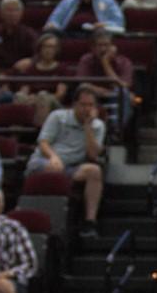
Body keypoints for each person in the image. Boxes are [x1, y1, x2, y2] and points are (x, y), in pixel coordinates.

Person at [26, 85, 105, 239]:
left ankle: (90, 222)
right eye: (83, 105)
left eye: (90, 105)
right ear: (74, 105)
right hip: (45, 161)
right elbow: (43, 143)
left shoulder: (98, 126)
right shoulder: (58, 116)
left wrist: (88, 127)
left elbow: (93, 155)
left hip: (71, 167)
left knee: (94, 171)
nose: (86, 109)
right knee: (53, 168)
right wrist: (54, 157)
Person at [76, 28, 134, 131]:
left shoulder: (124, 62)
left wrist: (105, 63)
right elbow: (83, 84)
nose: (103, 49)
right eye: (100, 45)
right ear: (93, 47)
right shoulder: (86, 60)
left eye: (106, 45)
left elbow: (123, 86)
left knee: (124, 94)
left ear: (113, 47)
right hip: (93, 97)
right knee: (83, 90)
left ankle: (115, 130)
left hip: (116, 98)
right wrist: (105, 91)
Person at [13, 32, 70, 127]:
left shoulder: (62, 69)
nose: (49, 50)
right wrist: (33, 99)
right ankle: (16, 132)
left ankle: (39, 132)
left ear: (57, 50)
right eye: (46, 47)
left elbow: (60, 95)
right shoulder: (31, 69)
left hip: (53, 103)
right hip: (33, 100)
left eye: (52, 47)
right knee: (19, 96)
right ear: (40, 49)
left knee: (43, 95)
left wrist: (40, 98)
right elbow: (24, 91)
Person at [0, 0, 37, 71]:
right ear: (1, 13)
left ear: (21, 13)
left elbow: (38, 55)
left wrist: (30, 60)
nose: (12, 14)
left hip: (22, 74)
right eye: (8, 10)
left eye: (15, 10)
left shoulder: (28, 34)